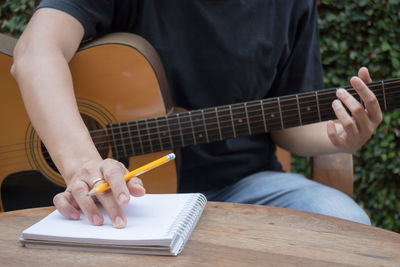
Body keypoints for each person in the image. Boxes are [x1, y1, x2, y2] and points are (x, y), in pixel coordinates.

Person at [11, 0, 382, 228]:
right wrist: (83, 166)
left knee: (345, 221)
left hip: (245, 186)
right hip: (127, 193)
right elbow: (35, 52)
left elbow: (289, 126)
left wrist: (336, 136)